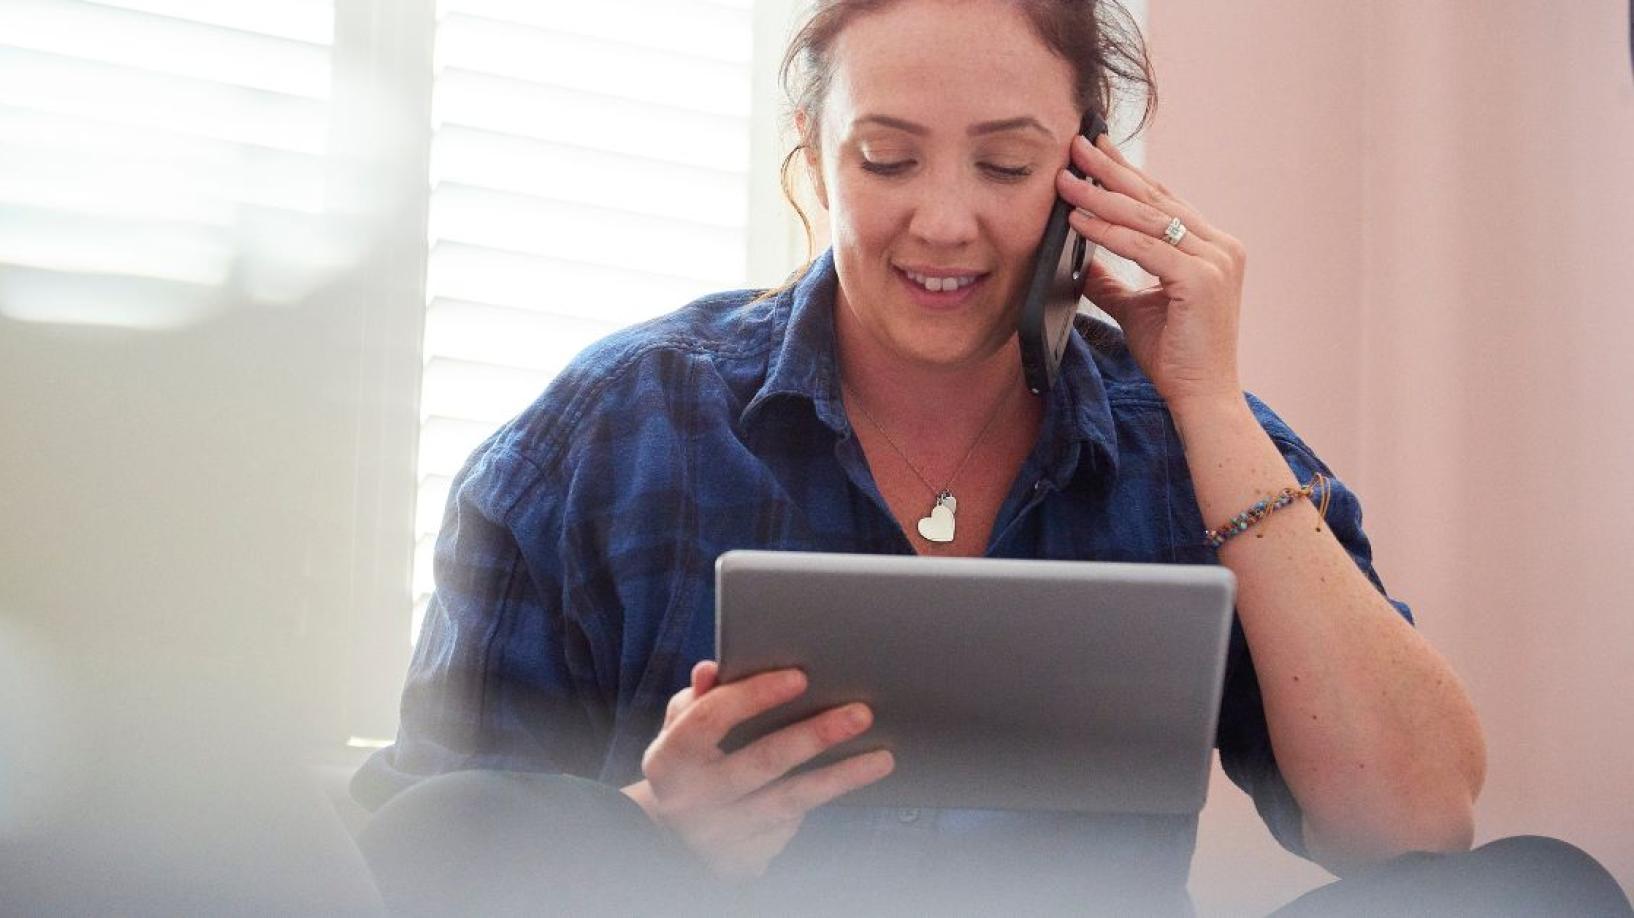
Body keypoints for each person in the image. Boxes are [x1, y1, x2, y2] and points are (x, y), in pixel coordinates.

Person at [351, 1, 1632, 915]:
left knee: (1539, 892)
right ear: (814, 163)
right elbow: (409, 855)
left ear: (1088, 180)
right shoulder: (613, 429)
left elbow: (1414, 825)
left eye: (1007, 163)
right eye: (887, 157)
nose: (945, 219)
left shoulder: (1184, 442)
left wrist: (1208, 399)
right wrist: (648, 836)